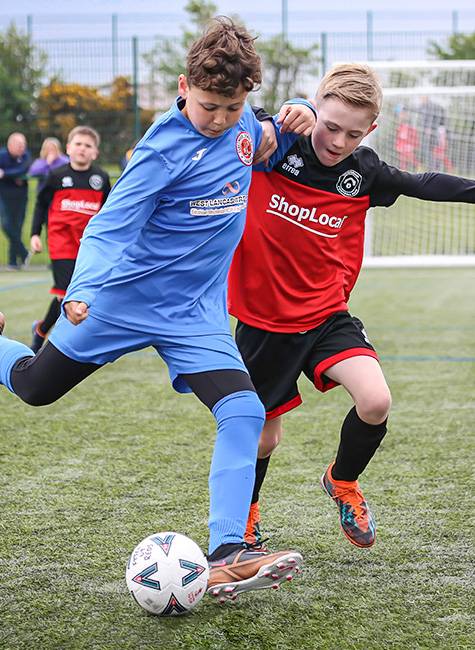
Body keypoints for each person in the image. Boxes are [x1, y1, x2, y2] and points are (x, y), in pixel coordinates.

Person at [0, 17, 313, 603]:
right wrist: (83, 291)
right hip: (120, 300)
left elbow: (275, 141)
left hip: (194, 314)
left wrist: (303, 111)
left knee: (243, 411)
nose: (219, 119)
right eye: (207, 107)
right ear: (181, 86)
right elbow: (107, 230)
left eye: (231, 106)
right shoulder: (159, 151)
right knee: (37, 387)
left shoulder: (245, 123)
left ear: (246, 97)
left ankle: (227, 554)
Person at [228, 63, 475, 550]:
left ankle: (342, 481)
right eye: (331, 126)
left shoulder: (364, 173)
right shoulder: (278, 148)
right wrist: (279, 113)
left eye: (353, 133)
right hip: (264, 323)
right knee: (262, 438)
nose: (338, 141)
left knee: (375, 400)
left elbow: (423, 182)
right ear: (314, 110)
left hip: (326, 316)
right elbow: (239, 121)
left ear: (371, 131)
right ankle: (245, 518)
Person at [29, 126, 111, 353]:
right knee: (66, 294)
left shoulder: (101, 178)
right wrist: (35, 234)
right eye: (78, 144)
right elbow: (40, 205)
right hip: (61, 244)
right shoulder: (56, 177)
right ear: (68, 148)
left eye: (88, 146)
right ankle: (51, 342)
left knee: (88, 293)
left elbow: (108, 213)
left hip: (89, 246)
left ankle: (42, 329)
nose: (82, 149)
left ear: (95, 152)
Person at [0, 132, 31, 269]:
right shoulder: (2, 156)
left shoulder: (26, 155)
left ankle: (13, 262)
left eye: (24, 145)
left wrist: (5, 174)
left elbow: (23, 170)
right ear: (10, 145)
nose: (22, 148)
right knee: (7, 225)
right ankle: (24, 253)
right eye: (19, 145)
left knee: (17, 228)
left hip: (21, 196)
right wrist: (14, 176)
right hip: (4, 196)